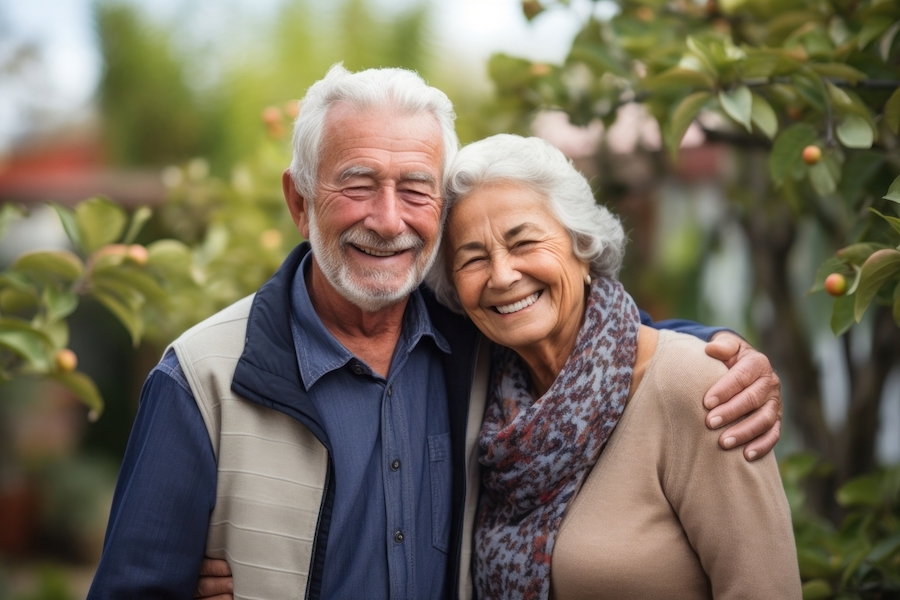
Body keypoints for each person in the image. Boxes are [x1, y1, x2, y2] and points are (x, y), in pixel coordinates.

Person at [88, 65, 783, 600]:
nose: (389, 219)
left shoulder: (475, 342)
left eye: (417, 188)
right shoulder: (202, 379)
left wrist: (719, 348)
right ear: (300, 202)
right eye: (357, 183)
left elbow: (592, 341)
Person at [425, 133, 800, 599]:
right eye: (473, 258)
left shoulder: (698, 388)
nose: (502, 276)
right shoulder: (487, 404)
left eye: (524, 243)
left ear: (583, 247)